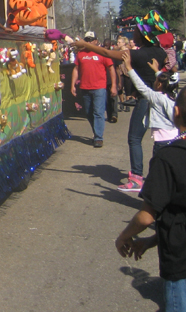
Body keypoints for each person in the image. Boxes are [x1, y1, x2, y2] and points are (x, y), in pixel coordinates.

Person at [115, 83, 186, 312]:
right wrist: (150, 242)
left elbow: (147, 216)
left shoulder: (169, 157)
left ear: (175, 113)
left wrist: (126, 236)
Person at [73, 11, 168, 190]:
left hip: (145, 101)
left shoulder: (137, 55)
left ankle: (137, 178)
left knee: (134, 138)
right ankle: (160, 176)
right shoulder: (161, 52)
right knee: (161, 139)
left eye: (137, 32)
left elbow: (104, 52)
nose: (134, 34)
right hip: (160, 101)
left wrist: (84, 44)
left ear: (143, 35)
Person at [119, 51, 178, 193]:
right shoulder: (172, 95)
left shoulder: (156, 98)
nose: (154, 83)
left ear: (158, 86)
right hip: (174, 139)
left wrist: (129, 68)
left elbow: (141, 87)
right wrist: (157, 71)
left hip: (162, 143)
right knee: (168, 171)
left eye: (156, 81)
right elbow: (167, 82)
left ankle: (155, 198)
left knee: (158, 172)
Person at [71, 31, 117, 148]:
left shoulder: (101, 53)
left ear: (96, 41)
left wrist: (113, 85)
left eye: (91, 40)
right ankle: (96, 132)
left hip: (99, 87)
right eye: (87, 40)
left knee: (98, 112)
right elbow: (76, 69)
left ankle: (98, 137)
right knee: (88, 113)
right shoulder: (81, 54)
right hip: (85, 87)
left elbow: (111, 69)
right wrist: (72, 85)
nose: (89, 42)